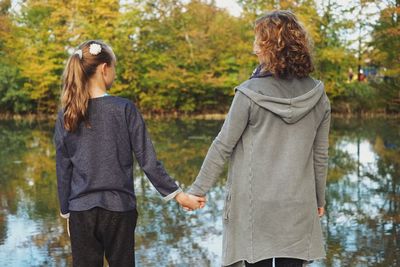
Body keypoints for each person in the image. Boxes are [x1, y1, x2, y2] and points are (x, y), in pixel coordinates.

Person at [187, 10, 330, 267]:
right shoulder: (318, 96)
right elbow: (320, 156)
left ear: (271, 47)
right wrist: (319, 199)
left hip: (255, 208)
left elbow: (223, 145)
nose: (254, 49)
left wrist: (198, 190)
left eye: (258, 41)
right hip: (298, 206)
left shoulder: (249, 93)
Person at [53, 40, 205, 267]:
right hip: (119, 209)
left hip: (81, 211)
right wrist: (180, 196)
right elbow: (148, 161)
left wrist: (67, 211)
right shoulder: (125, 109)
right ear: (105, 68)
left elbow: (63, 168)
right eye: (114, 67)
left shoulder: (67, 113)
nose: (114, 72)